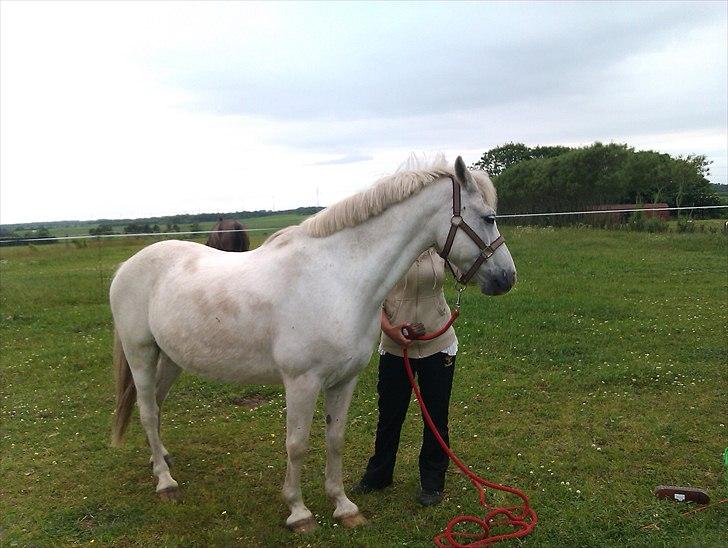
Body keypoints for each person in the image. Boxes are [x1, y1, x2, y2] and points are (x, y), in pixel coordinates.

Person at [353, 247, 457, 506]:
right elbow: (369, 295)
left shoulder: (442, 246)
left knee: (436, 416)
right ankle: (379, 474)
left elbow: (469, 272)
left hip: (439, 342)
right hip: (395, 347)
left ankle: (433, 480)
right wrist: (389, 329)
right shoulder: (389, 246)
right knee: (390, 414)